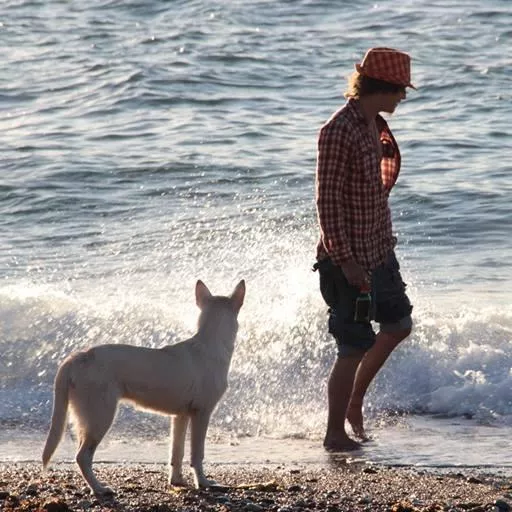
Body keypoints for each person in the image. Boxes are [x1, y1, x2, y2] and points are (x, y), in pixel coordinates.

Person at [314, 47, 415, 451]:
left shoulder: (372, 123)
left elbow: (374, 189)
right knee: (353, 345)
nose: (402, 99)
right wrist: (345, 260)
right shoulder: (338, 131)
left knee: (398, 325)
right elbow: (327, 203)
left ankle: (355, 402)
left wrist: (381, 245)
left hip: (379, 250)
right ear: (383, 87)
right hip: (348, 260)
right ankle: (334, 433)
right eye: (399, 91)